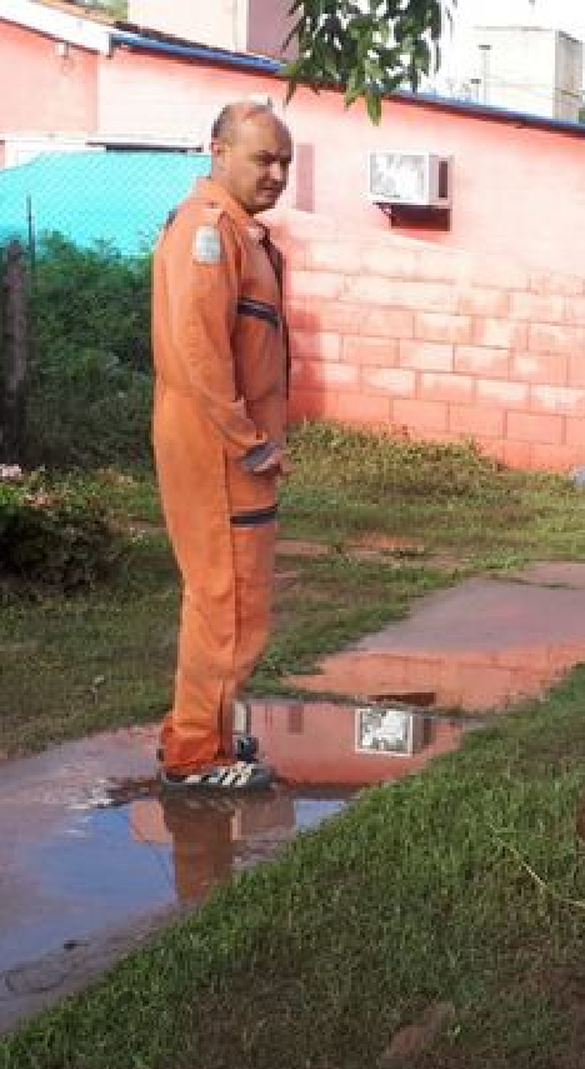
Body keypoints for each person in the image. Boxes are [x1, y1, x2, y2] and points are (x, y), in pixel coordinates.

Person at [152, 101, 293, 792]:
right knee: (226, 599)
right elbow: (196, 349)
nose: (276, 173)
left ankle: (202, 728)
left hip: (233, 449)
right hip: (221, 452)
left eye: (285, 162)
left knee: (227, 596)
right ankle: (195, 756)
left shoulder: (241, 234)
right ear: (217, 150)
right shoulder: (208, 233)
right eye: (263, 157)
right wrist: (248, 441)